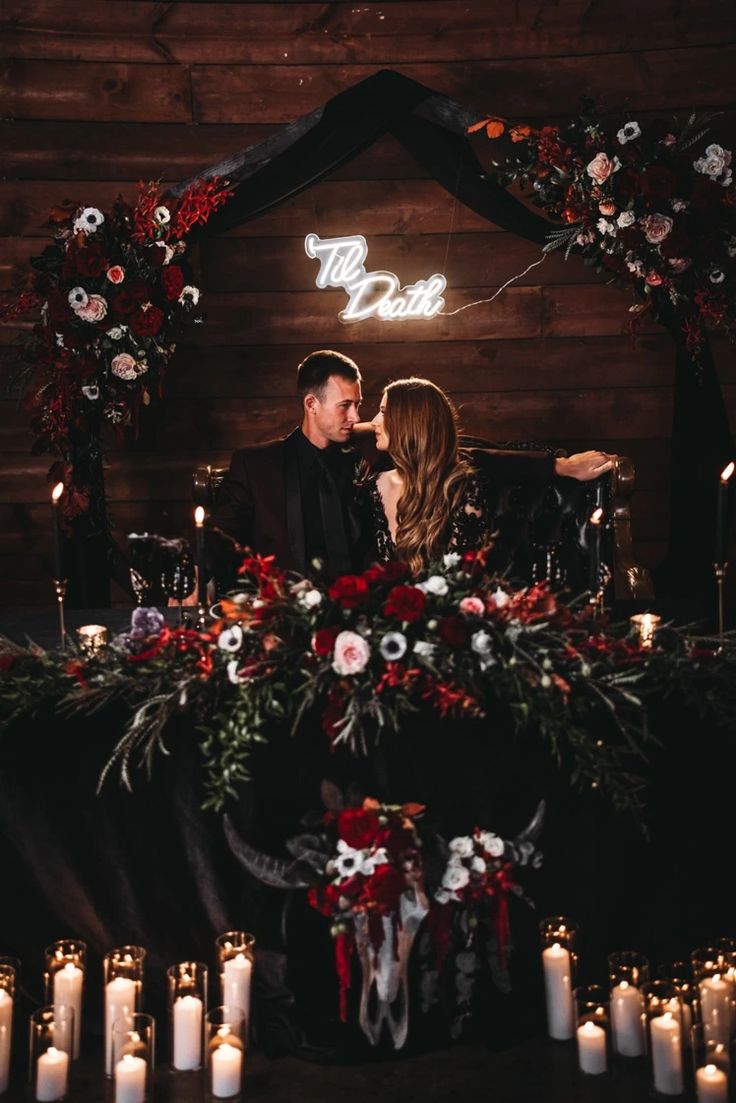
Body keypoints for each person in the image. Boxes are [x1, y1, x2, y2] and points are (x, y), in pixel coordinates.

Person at [368, 377, 615, 572]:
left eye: (383, 411)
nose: (373, 421)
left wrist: (559, 465)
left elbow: (462, 581)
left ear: (410, 422)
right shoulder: (370, 483)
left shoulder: (462, 486)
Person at [206, 349, 370, 589]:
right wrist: (198, 570)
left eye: (358, 404)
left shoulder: (361, 459)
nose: (355, 417)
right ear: (311, 404)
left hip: (358, 609)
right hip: (284, 609)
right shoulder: (256, 465)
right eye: (345, 405)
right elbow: (217, 534)